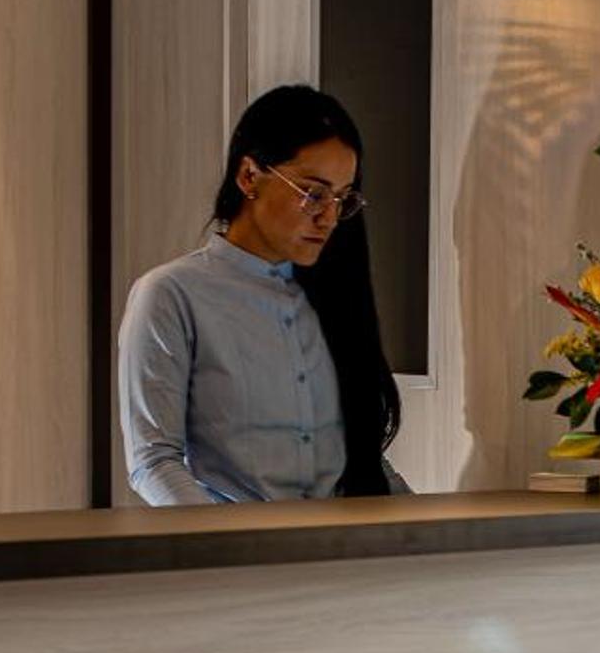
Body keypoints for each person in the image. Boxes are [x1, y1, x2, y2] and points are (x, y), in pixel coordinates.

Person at [119, 84, 406, 504]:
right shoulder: (171, 295)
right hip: (233, 540)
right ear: (249, 176)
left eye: (342, 199)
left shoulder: (335, 299)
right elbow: (154, 461)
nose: (329, 218)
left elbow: (365, 459)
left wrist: (431, 531)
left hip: (342, 539)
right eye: (313, 194)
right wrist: (233, 540)